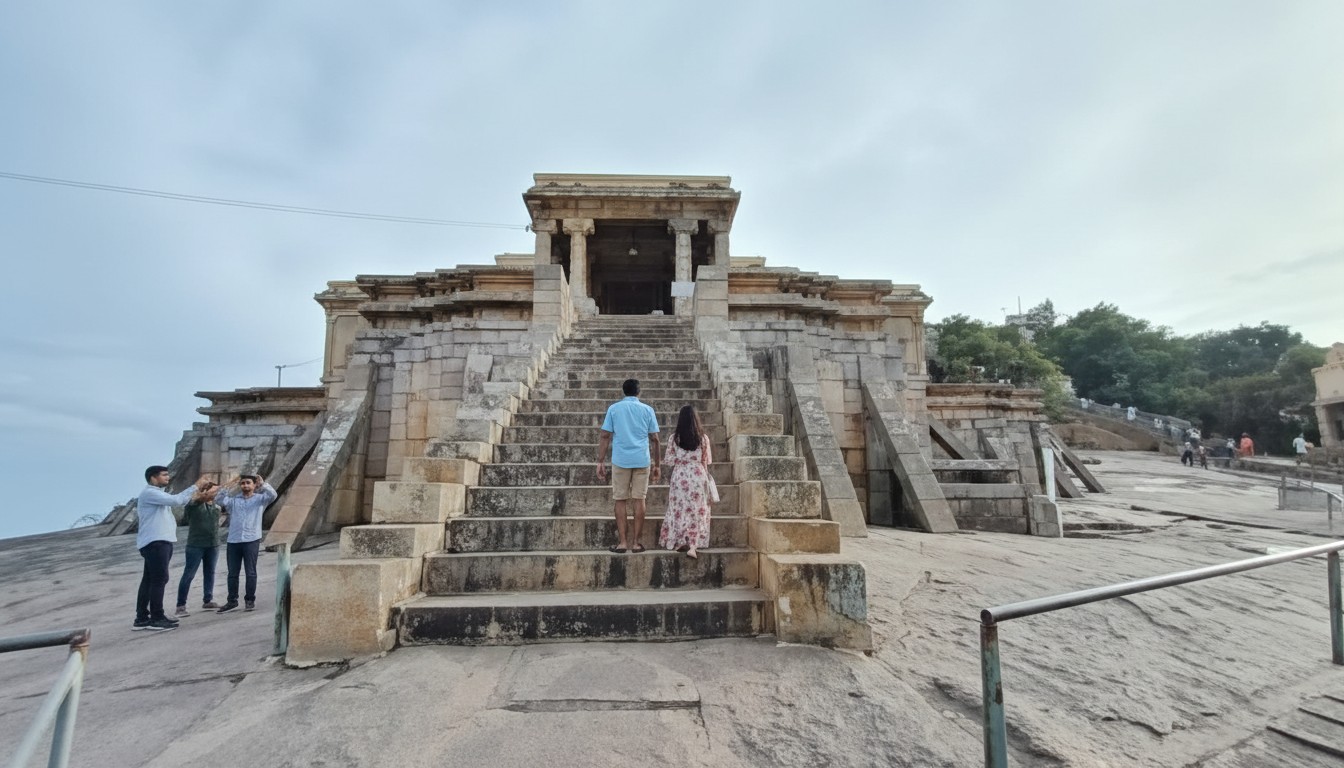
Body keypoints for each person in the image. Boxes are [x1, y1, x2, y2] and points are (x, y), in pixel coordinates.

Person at [135, 466, 212, 632]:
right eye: (164, 475)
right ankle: (156, 617)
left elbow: (182, 500)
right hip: (156, 542)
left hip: (156, 541)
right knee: (159, 579)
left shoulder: (156, 494)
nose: (167, 477)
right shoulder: (150, 493)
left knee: (149, 580)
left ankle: (141, 617)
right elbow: (177, 501)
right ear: (153, 478)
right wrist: (196, 485)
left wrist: (199, 491)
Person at [596, 379, 661, 553]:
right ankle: (636, 543)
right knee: (640, 499)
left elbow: (604, 436)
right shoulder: (647, 410)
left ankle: (623, 542)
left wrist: (600, 461)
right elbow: (655, 439)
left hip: (621, 460)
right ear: (639, 392)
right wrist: (657, 464)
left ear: (623, 392)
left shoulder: (614, 409)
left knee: (620, 500)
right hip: (642, 459)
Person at [214, 473, 277, 613]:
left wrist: (263, 484)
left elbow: (273, 495)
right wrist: (228, 486)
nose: (245, 485)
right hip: (234, 540)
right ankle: (232, 601)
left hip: (251, 540)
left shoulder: (260, 499)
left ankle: (250, 600)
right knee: (232, 573)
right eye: (243, 483)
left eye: (248, 483)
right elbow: (219, 499)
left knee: (250, 572)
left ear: (254, 485)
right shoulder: (234, 501)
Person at [659, 405, 714, 559]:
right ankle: (693, 545)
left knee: (679, 508)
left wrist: (681, 459)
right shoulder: (703, 438)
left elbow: (668, 460)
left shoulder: (674, 438)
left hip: (680, 476)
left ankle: (681, 540)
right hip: (698, 476)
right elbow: (706, 460)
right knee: (697, 510)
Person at [175, 482, 223, 616]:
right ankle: (180, 605)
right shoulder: (193, 504)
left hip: (213, 544)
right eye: (213, 491)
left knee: (210, 572)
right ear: (204, 492)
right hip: (195, 545)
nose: (216, 494)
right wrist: (202, 492)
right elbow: (198, 500)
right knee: (189, 574)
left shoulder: (216, 507)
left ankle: (208, 599)